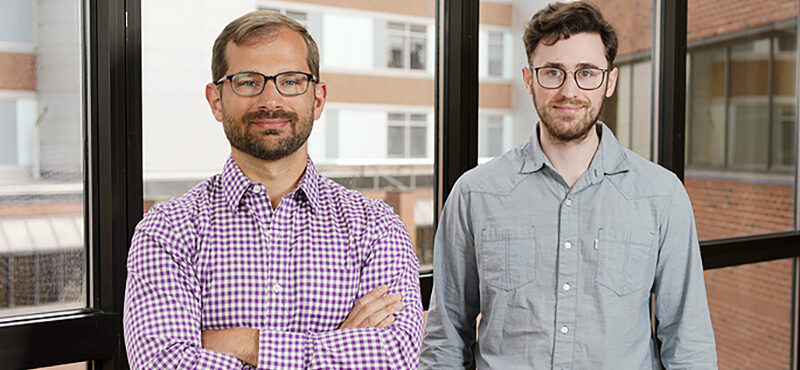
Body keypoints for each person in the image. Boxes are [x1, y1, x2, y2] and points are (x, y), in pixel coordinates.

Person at [420, 2, 717, 369]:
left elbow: (688, 343)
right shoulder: (474, 194)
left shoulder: (661, 195)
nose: (569, 90)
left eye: (587, 72)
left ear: (610, 81)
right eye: (553, 72)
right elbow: (445, 337)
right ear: (529, 79)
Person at [123, 10, 423, 369]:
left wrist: (244, 343)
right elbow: (164, 364)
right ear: (216, 100)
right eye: (248, 81)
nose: (270, 100)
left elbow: (394, 357)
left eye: (291, 81)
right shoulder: (167, 231)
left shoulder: (375, 226)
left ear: (317, 98)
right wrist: (339, 343)